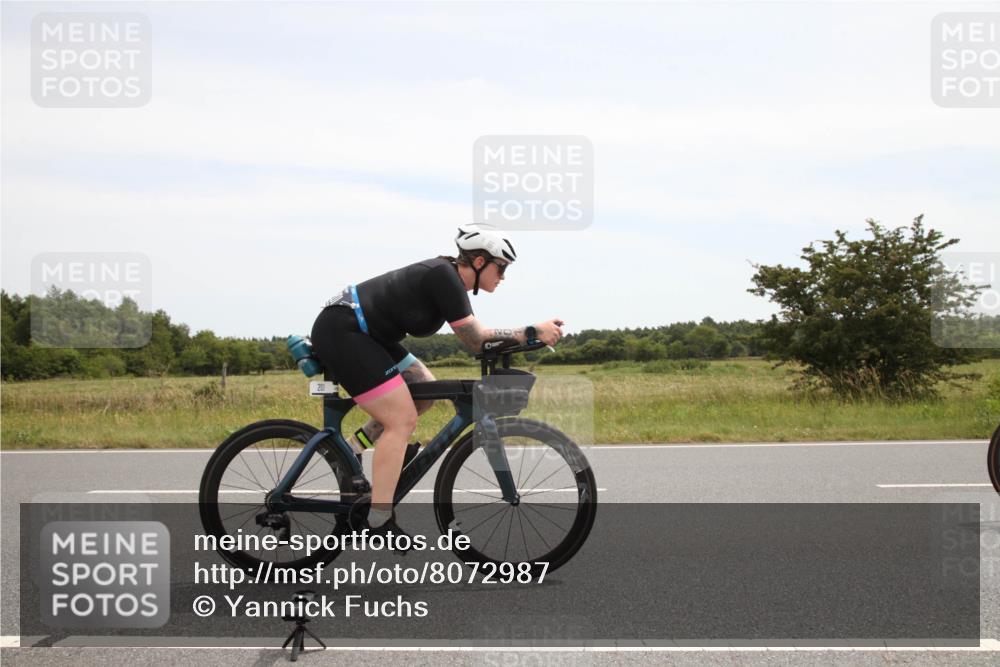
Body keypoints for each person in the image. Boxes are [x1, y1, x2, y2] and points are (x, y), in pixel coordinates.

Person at [310, 223, 564, 533]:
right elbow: (475, 339)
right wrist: (531, 332)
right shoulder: (444, 277)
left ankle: (351, 449)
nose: (503, 276)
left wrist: (527, 337)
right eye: (501, 267)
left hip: (368, 333)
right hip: (345, 329)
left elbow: (478, 339)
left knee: (423, 389)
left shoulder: (447, 278)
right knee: (400, 420)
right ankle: (378, 518)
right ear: (480, 261)